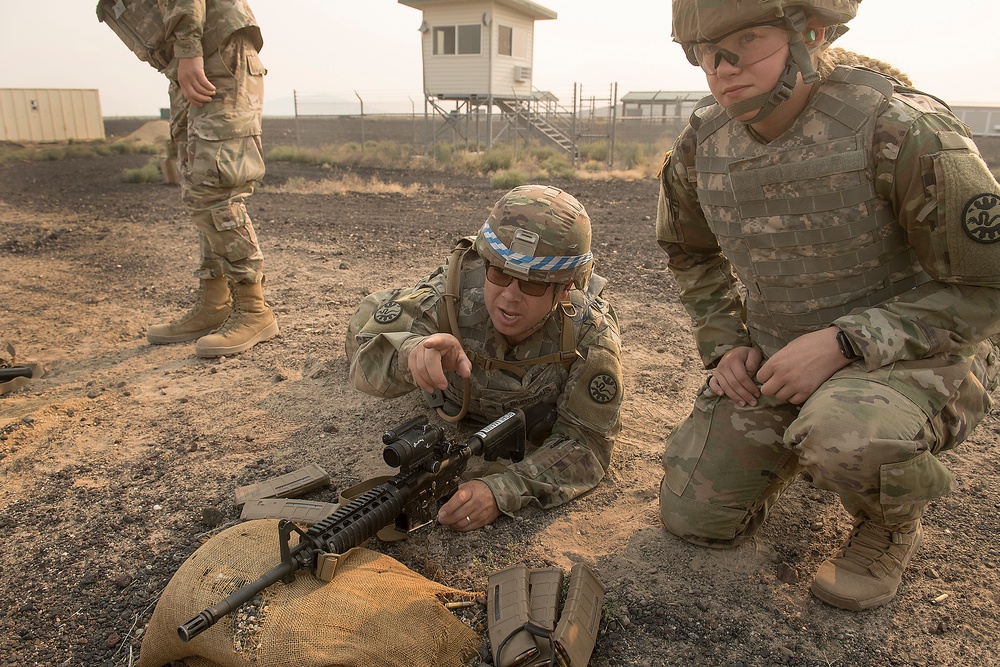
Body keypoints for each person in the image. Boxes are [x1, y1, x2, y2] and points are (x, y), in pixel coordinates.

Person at [656, 0, 1000, 611]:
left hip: (909, 360)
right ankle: (810, 445)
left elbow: (988, 283)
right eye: (707, 53)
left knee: (847, 435)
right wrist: (726, 342)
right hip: (781, 361)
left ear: (807, 35)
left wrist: (847, 341)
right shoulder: (701, 146)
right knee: (695, 515)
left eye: (748, 41)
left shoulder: (899, 129)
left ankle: (888, 520)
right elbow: (688, 253)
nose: (724, 67)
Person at [346, 185, 623, 531]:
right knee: (367, 316)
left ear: (565, 287)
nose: (509, 297)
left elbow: (587, 443)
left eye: (533, 284)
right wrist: (411, 354)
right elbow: (365, 364)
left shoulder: (589, 332)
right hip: (447, 393)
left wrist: (502, 490)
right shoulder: (451, 294)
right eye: (500, 273)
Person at [97, 0, 278, 357]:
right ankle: (214, 303)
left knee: (213, 187)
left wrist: (188, 50)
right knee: (196, 184)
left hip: (212, 53)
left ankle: (254, 309)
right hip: (193, 57)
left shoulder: (196, 49)